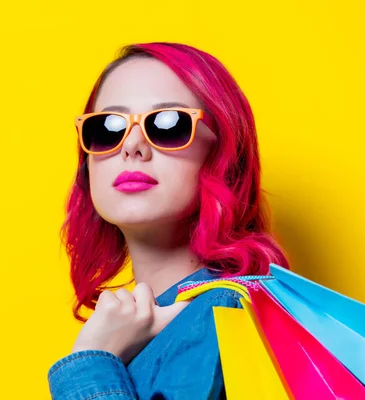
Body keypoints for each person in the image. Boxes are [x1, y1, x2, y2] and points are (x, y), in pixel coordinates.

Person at [47, 42, 289, 399]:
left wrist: (90, 362)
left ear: (223, 154)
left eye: (167, 124)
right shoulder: (133, 326)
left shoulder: (224, 316)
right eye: (109, 128)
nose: (131, 146)